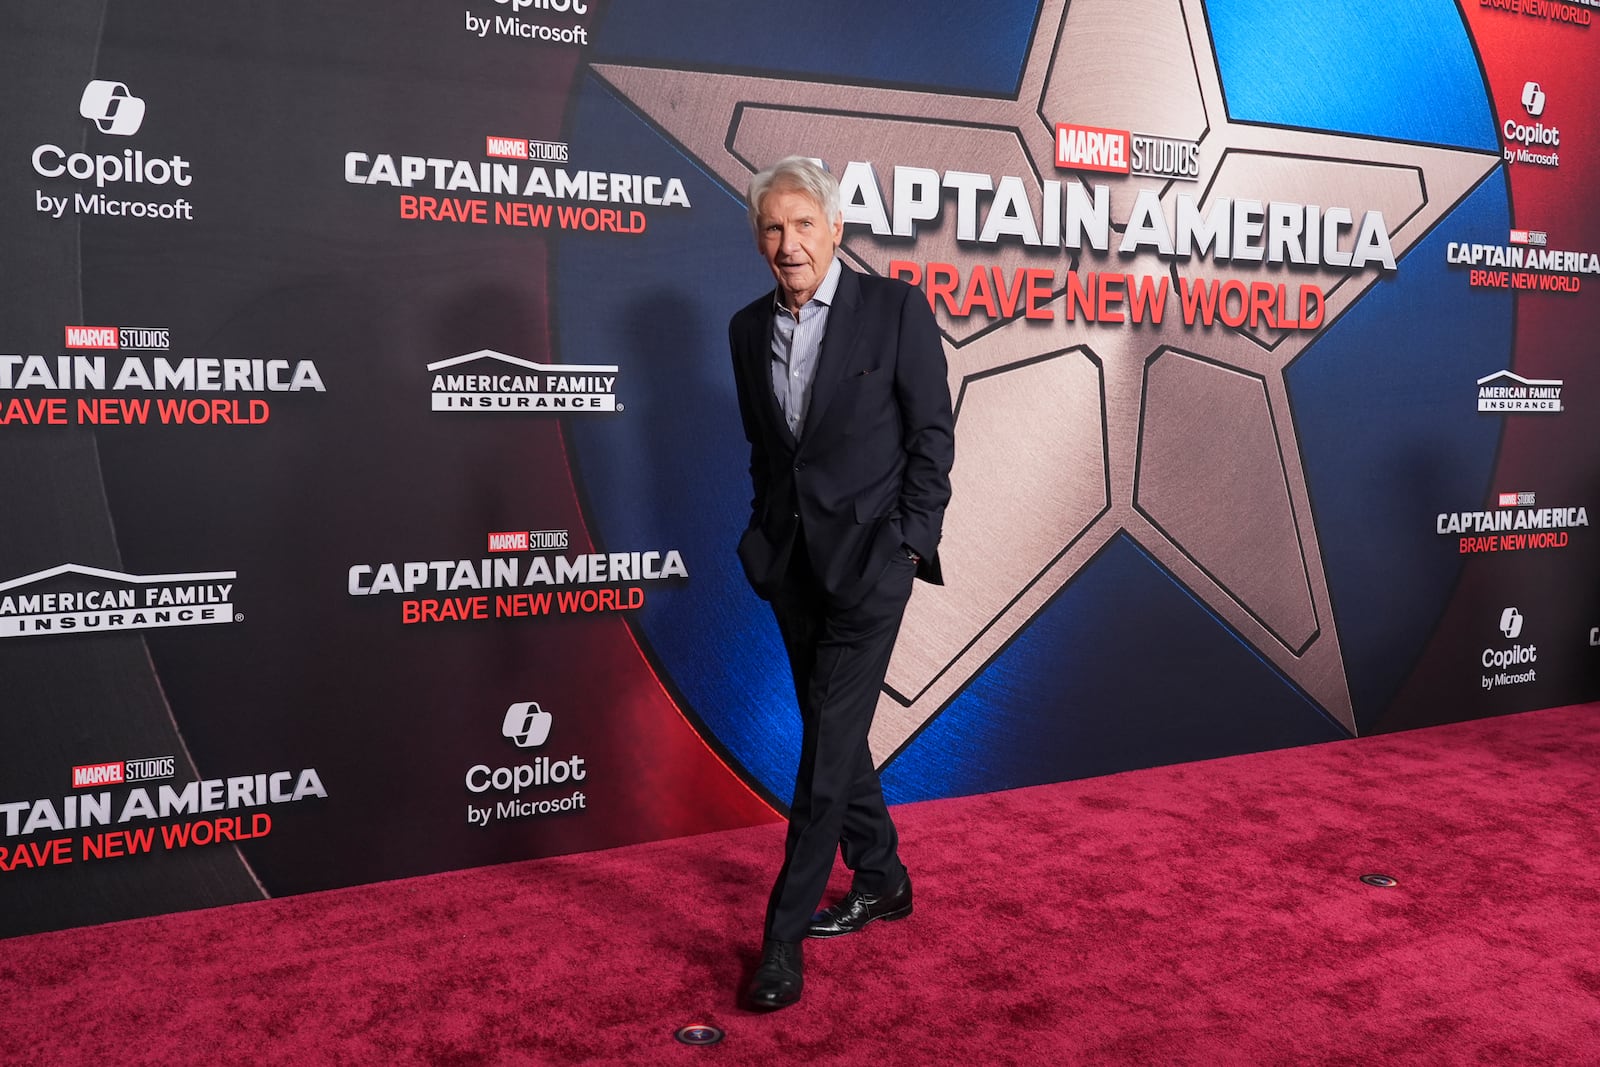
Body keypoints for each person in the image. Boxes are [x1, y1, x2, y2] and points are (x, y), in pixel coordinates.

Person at [728, 156, 955, 1011]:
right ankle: (884, 876)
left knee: (822, 756)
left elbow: (932, 438)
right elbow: (767, 450)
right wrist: (761, 539)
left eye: (804, 225)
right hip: (789, 569)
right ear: (759, 239)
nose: (790, 245)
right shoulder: (747, 329)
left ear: (836, 229)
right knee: (839, 734)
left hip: (870, 570)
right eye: (774, 229)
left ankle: (780, 942)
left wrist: (908, 545)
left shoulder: (893, 310)